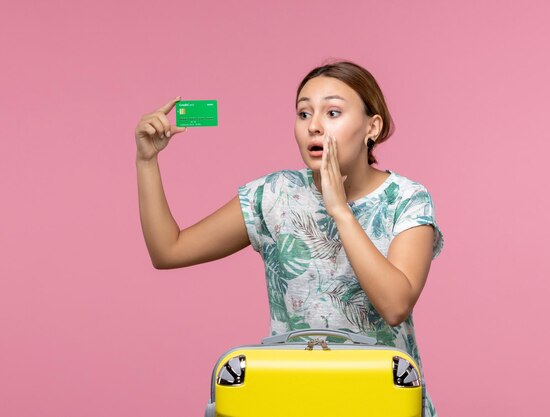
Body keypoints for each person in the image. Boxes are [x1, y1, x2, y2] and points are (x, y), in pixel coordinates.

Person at [135, 60, 444, 416]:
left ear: (371, 126)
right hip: (291, 400)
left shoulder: (406, 199)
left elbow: (395, 305)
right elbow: (168, 251)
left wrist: (339, 210)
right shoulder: (274, 194)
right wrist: (146, 161)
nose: (314, 126)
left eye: (332, 112)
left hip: (382, 401)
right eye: (303, 113)